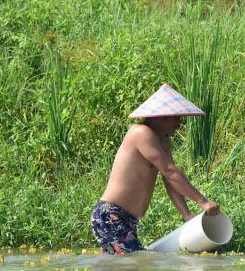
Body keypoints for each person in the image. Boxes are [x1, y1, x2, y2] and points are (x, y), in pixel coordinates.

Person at [90, 84, 220, 255]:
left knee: (126, 270)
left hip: (127, 219)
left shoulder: (163, 140)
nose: (180, 123)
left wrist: (187, 215)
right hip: (111, 215)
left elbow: (169, 179)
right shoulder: (141, 132)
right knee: (133, 263)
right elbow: (169, 171)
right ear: (161, 117)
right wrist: (203, 202)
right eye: (176, 118)